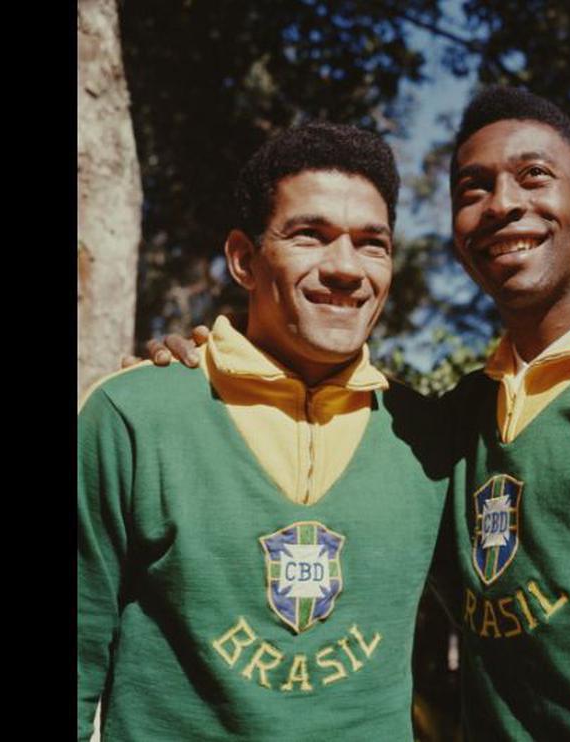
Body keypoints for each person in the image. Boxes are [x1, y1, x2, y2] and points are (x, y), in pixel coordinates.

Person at [153, 87, 570, 740]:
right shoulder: (446, 425)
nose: (501, 204)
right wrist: (213, 367)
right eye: (472, 190)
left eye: (533, 176)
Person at [78, 122, 449, 741]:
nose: (345, 269)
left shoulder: (428, 438)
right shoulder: (134, 416)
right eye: (310, 235)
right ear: (244, 260)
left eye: (372, 243)